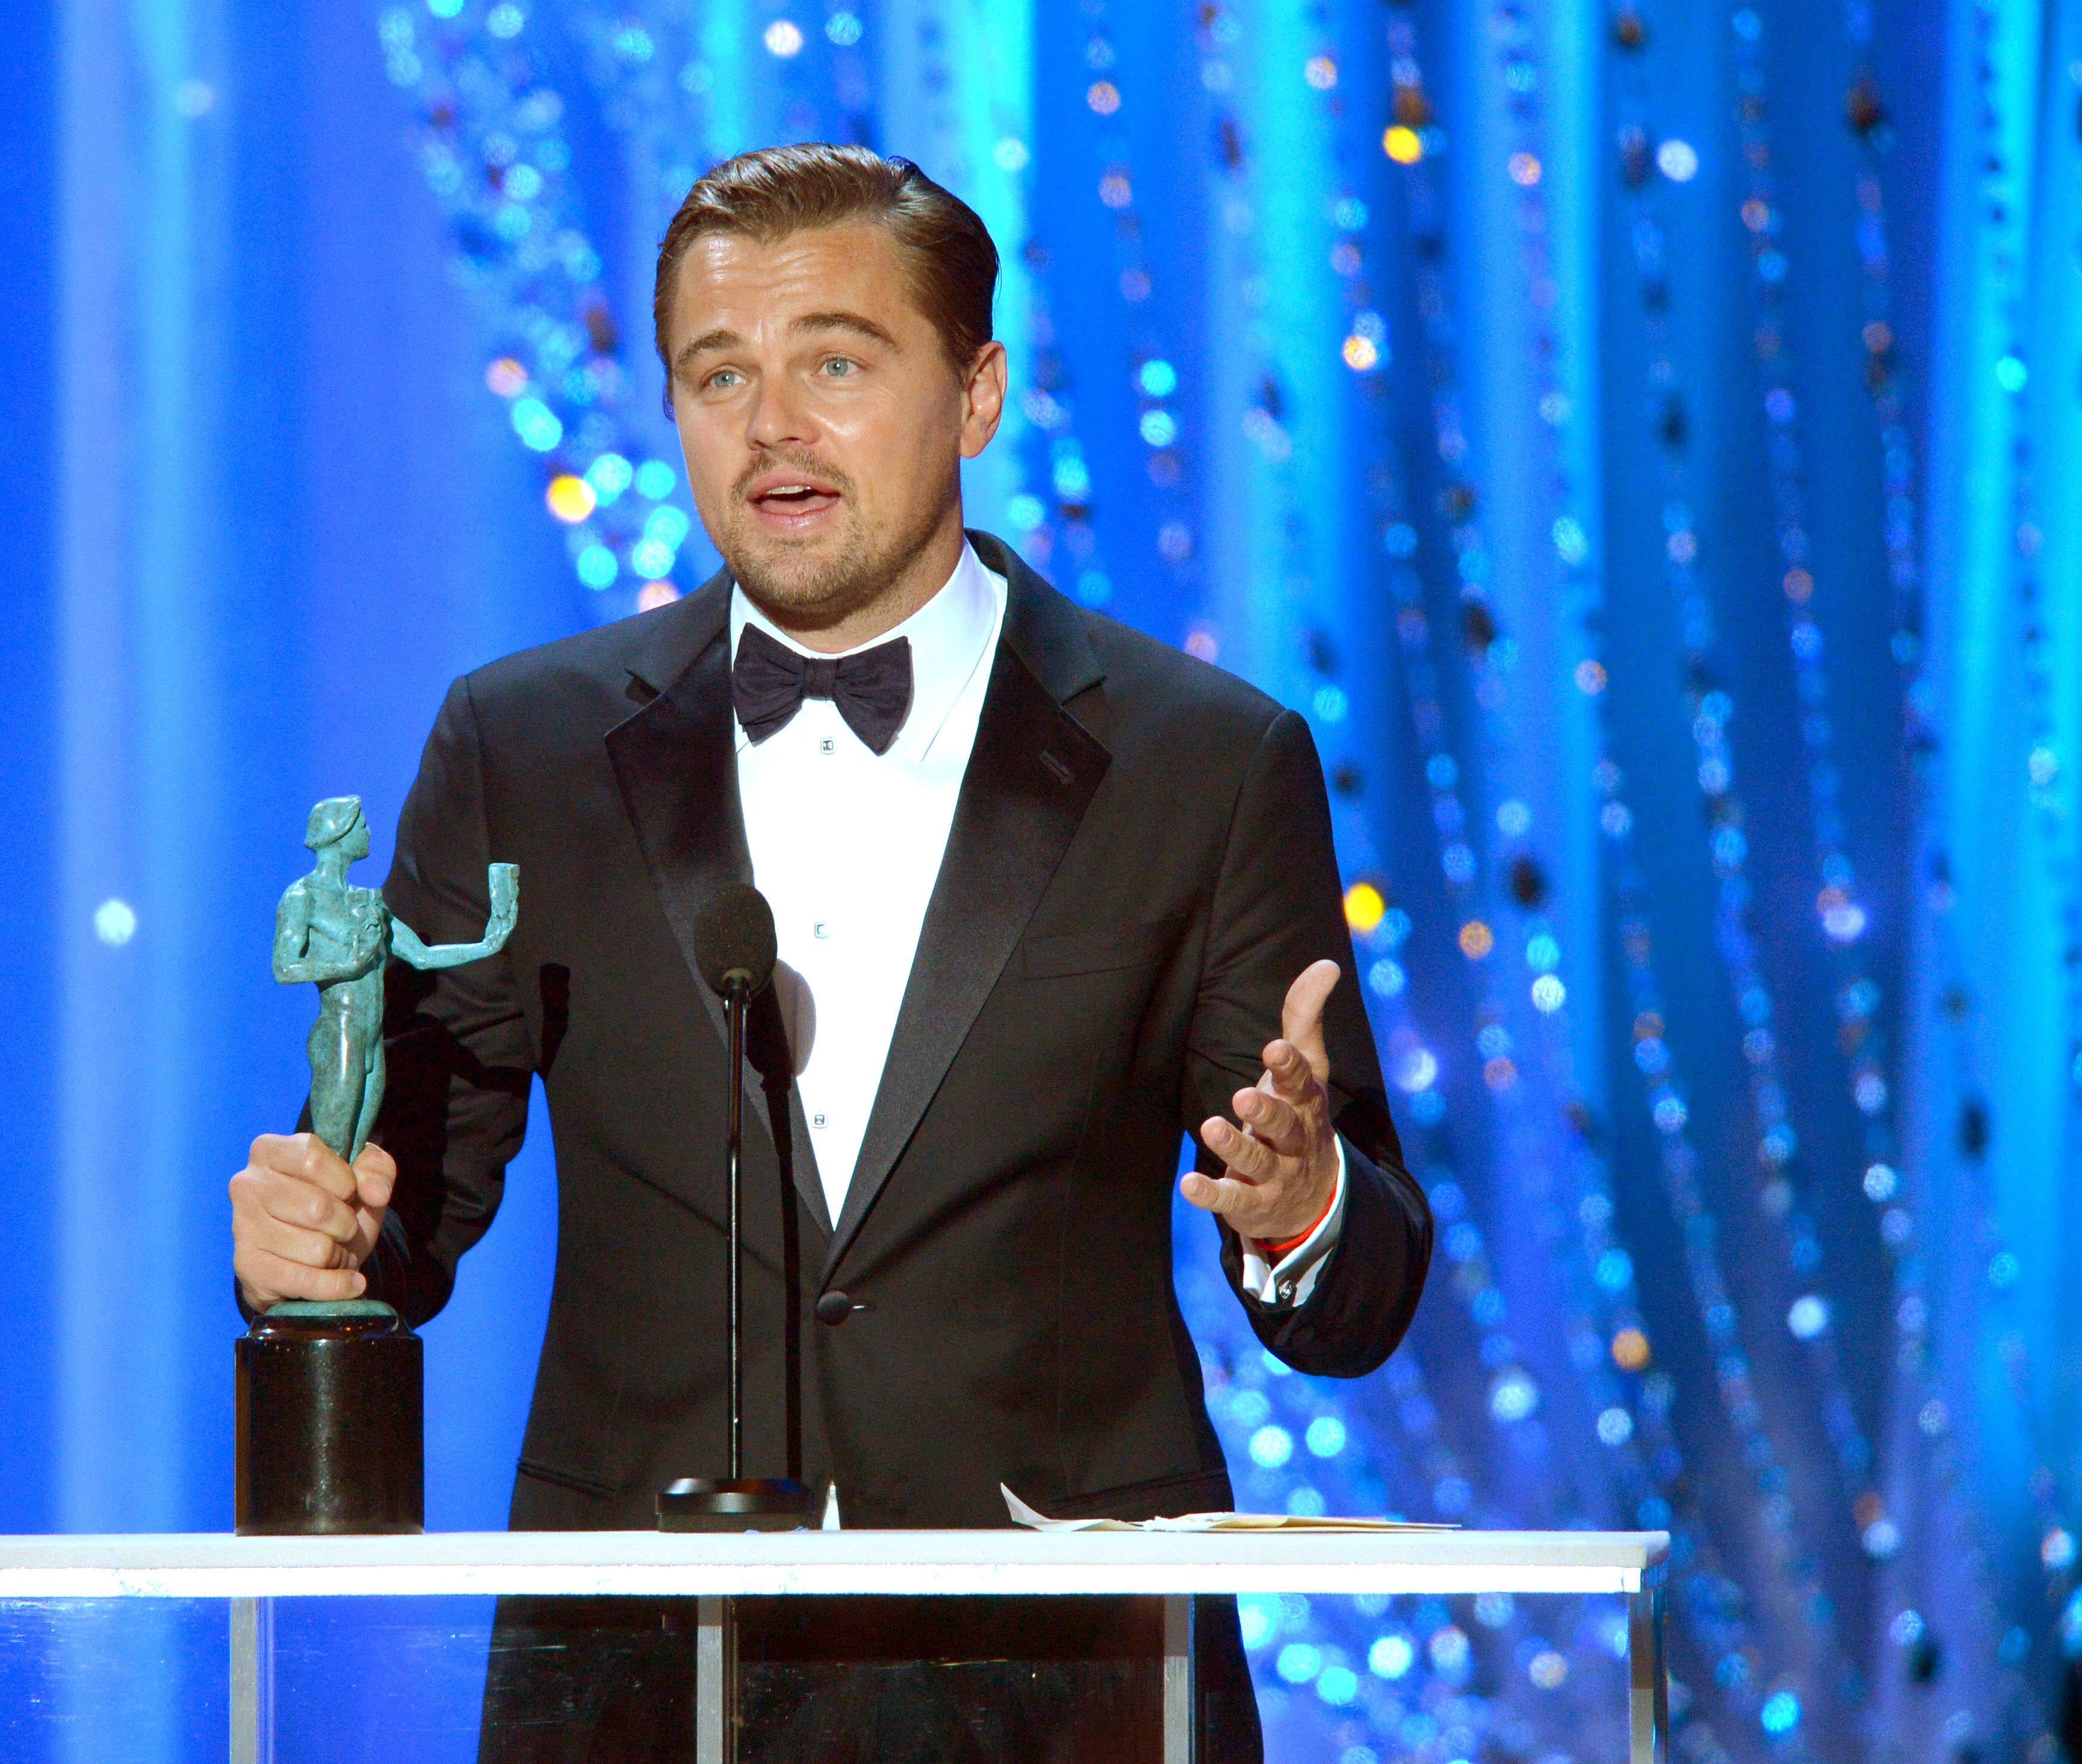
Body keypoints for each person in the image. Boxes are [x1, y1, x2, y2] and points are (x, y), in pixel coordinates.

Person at [229, 143, 1432, 1762]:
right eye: (718, 373)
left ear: (976, 395)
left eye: (837, 364)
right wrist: (316, 1246)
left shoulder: (1200, 763)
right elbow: (402, 1207)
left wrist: (1299, 1207)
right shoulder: (526, 746)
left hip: (1064, 1687)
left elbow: (1354, 1304)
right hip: (641, 1681)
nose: (772, 426)